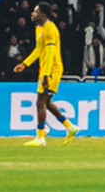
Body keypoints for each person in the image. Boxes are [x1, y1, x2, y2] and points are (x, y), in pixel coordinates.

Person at [20, 11, 74, 144]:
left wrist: (46, 74)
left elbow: (50, 52)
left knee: (40, 102)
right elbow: (39, 49)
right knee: (47, 103)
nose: (32, 13)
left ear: (43, 14)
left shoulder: (50, 28)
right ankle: (70, 127)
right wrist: (25, 63)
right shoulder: (39, 28)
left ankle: (40, 136)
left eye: (36, 11)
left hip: (52, 70)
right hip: (45, 69)